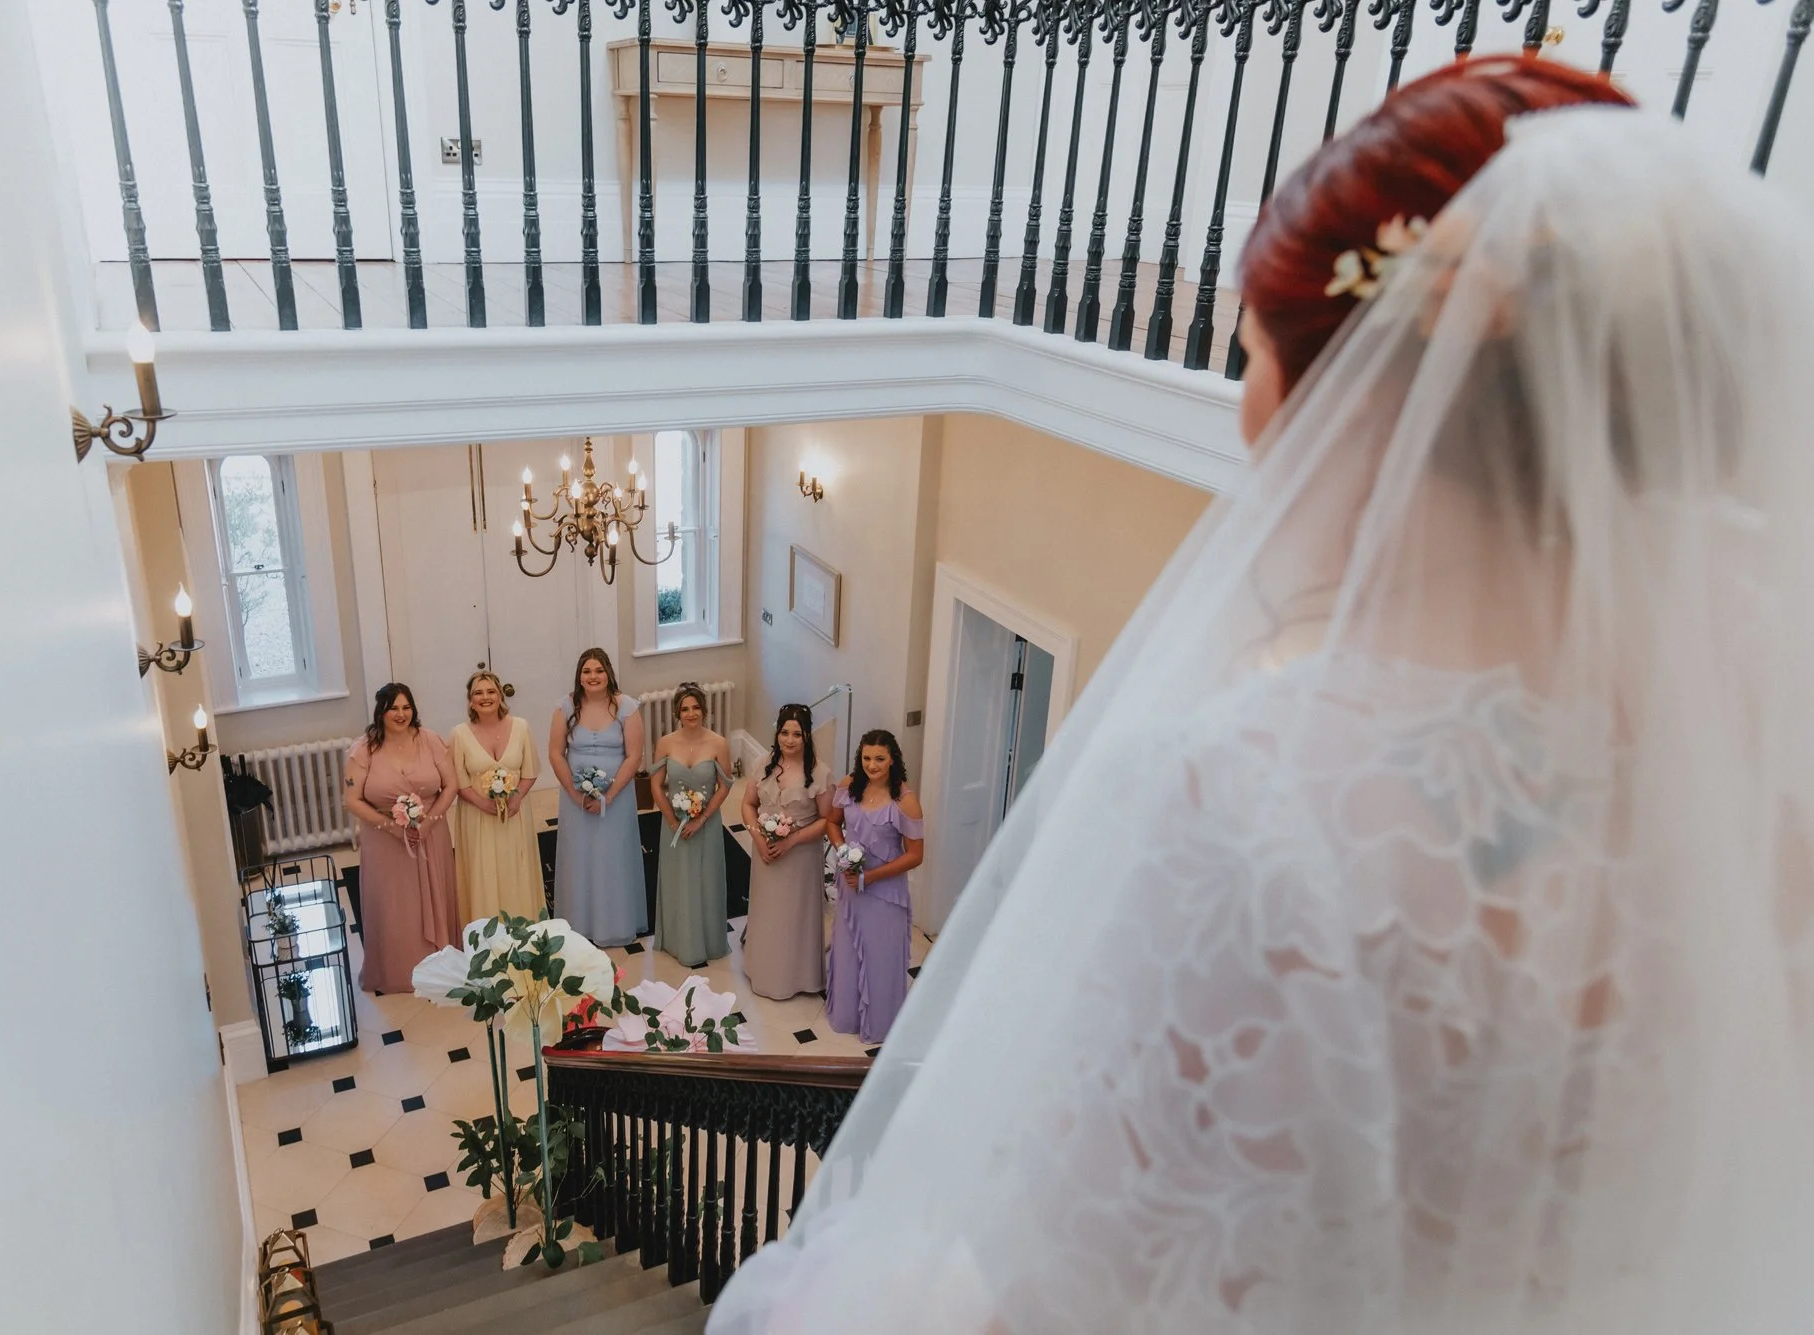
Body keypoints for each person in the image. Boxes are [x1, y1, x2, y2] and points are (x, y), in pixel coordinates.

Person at [711, 60, 1814, 1333]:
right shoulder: (1766, 748)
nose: (1244, 406)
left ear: (1351, 400)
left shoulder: (1232, 802)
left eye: (1248, 354)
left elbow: (1069, 1287)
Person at [342, 683, 460, 996]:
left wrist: (429, 822)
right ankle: (397, 970)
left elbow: (451, 785)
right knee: (394, 902)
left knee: (436, 892)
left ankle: (439, 963)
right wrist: (392, 828)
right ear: (381, 711)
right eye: (394, 708)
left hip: (430, 833)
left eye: (406, 707)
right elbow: (352, 799)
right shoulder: (363, 749)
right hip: (384, 840)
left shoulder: (431, 740)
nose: (401, 714)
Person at [823, 730, 924, 1046]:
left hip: (884, 894)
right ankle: (848, 1016)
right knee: (848, 951)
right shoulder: (848, 786)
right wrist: (842, 851)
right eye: (866, 758)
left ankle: (880, 1023)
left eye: (879, 758)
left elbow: (916, 855)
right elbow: (832, 823)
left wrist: (872, 876)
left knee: (880, 956)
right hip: (852, 887)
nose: (872, 765)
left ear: (893, 759)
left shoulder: (905, 802)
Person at [548, 648, 649, 947]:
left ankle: (615, 925)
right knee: (578, 857)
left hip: (616, 799)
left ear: (608, 674)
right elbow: (555, 753)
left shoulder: (627, 707)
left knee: (613, 857)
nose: (593, 677)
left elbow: (635, 756)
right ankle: (579, 925)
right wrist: (574, 793)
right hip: (575, 799)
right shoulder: (565, 707)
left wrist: (610, 795)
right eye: (587, 671)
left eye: (599, 671)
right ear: (579, 676)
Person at [740, 703, 833, 1001]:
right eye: (784, 732)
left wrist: (790, 842)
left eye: (797, 734)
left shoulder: (820, 772)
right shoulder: (763, 762)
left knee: (794, 913)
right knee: (768, 912)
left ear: (807, 736)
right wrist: (757, 839)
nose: (789, 740)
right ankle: (763, 969)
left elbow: (827, 821)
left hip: (800, 857)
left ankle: (797, 976)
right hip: (765, 851)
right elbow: (748, 804)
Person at [649, 682, 735, 967]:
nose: (691, 713)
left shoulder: (718, 743)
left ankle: (708, 941)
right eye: (685, 709)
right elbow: (656, 784)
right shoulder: (666, 743)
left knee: (706, 880)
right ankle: (676, 940)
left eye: (696, 707)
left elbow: (725, 785)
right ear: (677, 712)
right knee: (677, 881)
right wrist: (672, 821)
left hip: (706, 826)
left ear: (704, 710)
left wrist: (703, 818)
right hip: (673, 826)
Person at [449, 669, 545, 924]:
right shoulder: (459, 734)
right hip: (477, 817)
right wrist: (482, 803)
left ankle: (523, 930)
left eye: (491, 691)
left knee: (516, 870)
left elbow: (531, 770)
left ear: (500, 695)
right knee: (484, 874)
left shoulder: (521, 726)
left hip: (514, 815)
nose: (485, 697)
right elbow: (457, 781)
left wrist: (517, 798)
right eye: (478, 693)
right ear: (470, 701)